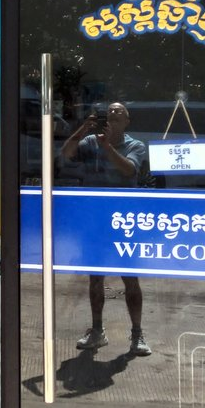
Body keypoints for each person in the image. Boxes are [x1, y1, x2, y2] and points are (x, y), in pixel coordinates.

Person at [60, 101, 151, 356]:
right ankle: (97, 330)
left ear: (127, 121)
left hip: (123, 220)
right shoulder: (90, 141)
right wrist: (82, 130)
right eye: (108, 114)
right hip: (95, 219)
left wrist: (107, 145)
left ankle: (137, 333)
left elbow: (129, 169)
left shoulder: (135, 145)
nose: (112, 117)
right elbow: (66, 154)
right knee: (95, 277)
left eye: (118, 114)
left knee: (129, 277)